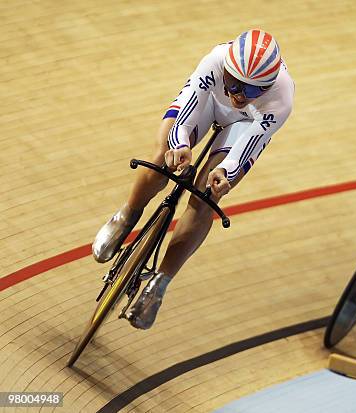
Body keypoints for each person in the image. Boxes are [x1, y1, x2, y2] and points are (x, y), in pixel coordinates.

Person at [92, 29, 294, 329]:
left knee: (206, 197)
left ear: (265, 88)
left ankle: (160, 284)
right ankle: (127, 215)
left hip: (244, 125)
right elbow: (185, 112)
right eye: (235, 83)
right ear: (226, 69)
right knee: (162, 157)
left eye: (251, 91)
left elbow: (247, 146)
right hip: (208, 103)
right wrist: (180, 145)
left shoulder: (281, 98)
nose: (239, 94)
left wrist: (225, 171)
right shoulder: (216, 59)